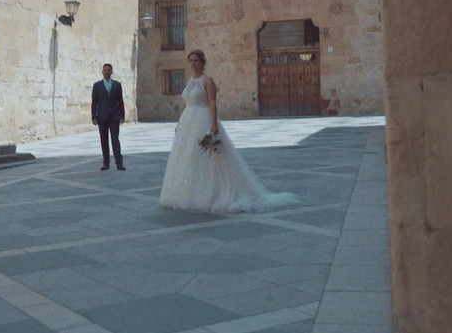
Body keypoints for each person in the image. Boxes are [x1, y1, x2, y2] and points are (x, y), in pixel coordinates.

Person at [159, 49, 298, 213]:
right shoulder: (190, 81)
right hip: (188, 122)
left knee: (209, 158)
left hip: (203, 118)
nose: (193, 63)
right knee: (187, 157)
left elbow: (212, 102)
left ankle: (214, 192)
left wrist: (214, 124)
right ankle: (189, 192)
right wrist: (179, 123)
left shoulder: (207, 80)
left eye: (196, 60)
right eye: (191, 60)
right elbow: (187, 102)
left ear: (202, 62)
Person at [92, 63, 126, 171]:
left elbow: (120, 101)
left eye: (108, 70)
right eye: (105, 70)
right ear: (102, 72)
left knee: (115, 140)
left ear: (112, 72)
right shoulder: (97, 86)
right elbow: (94, 102)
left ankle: (119, 163)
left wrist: (122, 114)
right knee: (104, 140)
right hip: (102, 117)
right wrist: (94, 116)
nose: (106, 72)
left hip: (114, 117)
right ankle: (106, 163)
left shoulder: (117, 85)